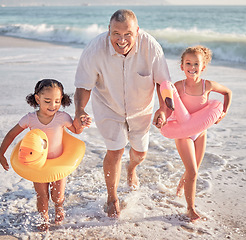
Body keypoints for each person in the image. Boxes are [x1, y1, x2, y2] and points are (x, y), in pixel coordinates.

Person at [73, 9, 170, 217]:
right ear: (109, 30)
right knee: (115, 149)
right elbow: (83, 85)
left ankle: (131, 169)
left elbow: (163, 82)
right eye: (116, 33)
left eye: (128, 34)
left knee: (140, 154)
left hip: (140, 109)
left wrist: (162, 108)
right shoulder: (95, 49)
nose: (122, 39)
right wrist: (80, 110)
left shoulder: (151, 47)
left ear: (137, 31)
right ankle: (112, 197)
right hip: (108, 106)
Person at [0, 79, 89, 231]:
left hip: (58, 163)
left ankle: (59, 207)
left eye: (57, 101)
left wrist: (82, 122)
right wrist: (1, 153)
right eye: (47, 101)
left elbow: (76, 130)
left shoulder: (62, 117)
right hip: (37, 164)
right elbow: (11, 134)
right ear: (37, 99)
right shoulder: (30, 118)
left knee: (57, 196)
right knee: (42, 195)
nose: (53, 105)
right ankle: (43, 218)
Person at [162, 46, 232, 221]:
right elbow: (168, 105)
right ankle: (190, 208)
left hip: (200, 133)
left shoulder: (207, 85)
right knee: (192, 171)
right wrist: (162, 115)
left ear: (203, 67)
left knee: (193, 171)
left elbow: (227, 92)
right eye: (188, 63)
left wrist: (224, 113)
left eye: (196, 64)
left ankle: (181, 186)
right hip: (183, 134)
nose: (192, 67)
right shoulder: (178, 86)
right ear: (182, 66)